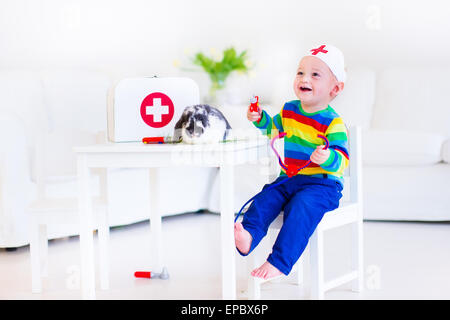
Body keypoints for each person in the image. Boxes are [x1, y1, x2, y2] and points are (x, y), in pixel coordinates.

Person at [235, 44, 349, 280]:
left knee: (302, 206)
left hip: (322, 186)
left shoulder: (333, 122)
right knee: (266, 197)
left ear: (335, 88)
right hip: (289, 179)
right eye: (300, 72)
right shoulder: (289, 110)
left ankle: (279, 262)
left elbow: (342, 161)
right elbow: (273, 129)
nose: (304, 78)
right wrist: (259, 118)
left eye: (315, 74)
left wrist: (328, 157)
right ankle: (249, 234)